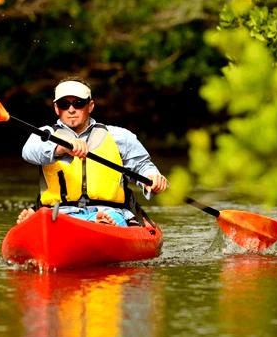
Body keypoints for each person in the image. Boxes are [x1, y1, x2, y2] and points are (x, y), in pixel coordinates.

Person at [16, 76, 168, 226]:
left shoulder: (119, 136)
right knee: (50, 216)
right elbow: (29, 152)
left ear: (90, 106)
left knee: (110, 217)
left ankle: (102, 225)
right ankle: (41, 222)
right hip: (60, 213)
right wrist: (61, 148)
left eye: (78, 103)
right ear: (56, 108)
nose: (71, 110)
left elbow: (142, 166)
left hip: (109, 211)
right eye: (64, 104)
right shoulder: (44, 135)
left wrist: (152, 178)